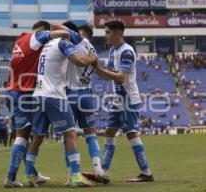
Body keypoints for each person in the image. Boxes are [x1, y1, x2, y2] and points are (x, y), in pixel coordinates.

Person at [23, 27, 98, 187]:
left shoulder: (45, 45)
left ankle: (28, 176)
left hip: (38, 94)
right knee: (70, 134)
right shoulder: (63, 43)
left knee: (37, 137)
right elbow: (79, 60)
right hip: (54, 95)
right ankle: (76, 177)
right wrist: (92, 57)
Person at [84, 20, 154, 182]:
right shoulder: (112, 50)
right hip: (118, 99)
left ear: (118, 33)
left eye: (108, 32)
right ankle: (103, 172)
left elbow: (121, 77)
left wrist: (99, 69)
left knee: (131, 133)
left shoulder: (126, 51)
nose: (105, 35)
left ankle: (146, 173)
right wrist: (94, 65)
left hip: (129, 98)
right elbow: (107, 72)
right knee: (109, 132)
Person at [3, 20, 69, 187]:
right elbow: (60, 34)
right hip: (23, 92)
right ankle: (10, 178)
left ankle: (33, 173)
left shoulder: (20, 39)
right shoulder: (37, 36)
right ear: (41, 30)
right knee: (22, 136)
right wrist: (66, 32)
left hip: (12, 90)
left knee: (24, 135)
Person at [63, 22, 109, 185]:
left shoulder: (67, 44)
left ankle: (70, 175)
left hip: (69, 93)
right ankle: (98, 168)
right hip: (87, 93)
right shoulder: (91, 48)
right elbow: (98, 68)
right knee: (91, 133)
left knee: (68, 136)